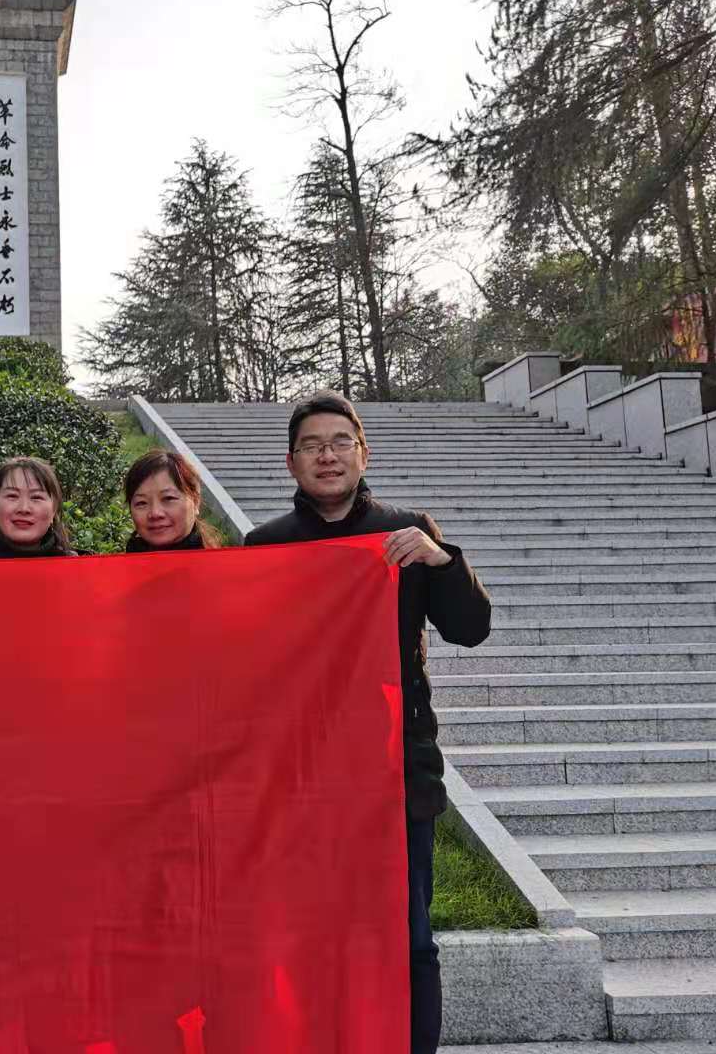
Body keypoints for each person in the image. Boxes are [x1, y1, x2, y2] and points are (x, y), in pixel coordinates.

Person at [243, 391, 491, 1054]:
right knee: (306, 937)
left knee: (410, 937)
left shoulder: (407, 534)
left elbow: (470, 629)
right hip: (302, 780)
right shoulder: (265, 547)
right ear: (291, 462)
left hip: (396, 773)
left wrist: (443, 560)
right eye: (311, 446)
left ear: (363, 453)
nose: (326, 456)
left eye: (339, 443)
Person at [0, 456, 78, 559]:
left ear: (54, 510)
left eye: (36, 497)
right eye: (12, 496)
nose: (24, 508)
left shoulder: (77, 571)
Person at [123, 449, 223, 552]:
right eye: (141, 503)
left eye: (168, 498)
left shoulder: (219, 562)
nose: (155, 513)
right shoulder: (123, 561)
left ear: (196, 502)